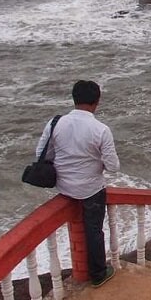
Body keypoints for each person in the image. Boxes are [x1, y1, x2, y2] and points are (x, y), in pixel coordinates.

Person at [35, 80, 120, 287]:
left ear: (74, 99)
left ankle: (90, 272)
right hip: (91, 189)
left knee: (86, 228)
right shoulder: (101, 129)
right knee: (94, 230)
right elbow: (113, 166)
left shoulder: (55, 122)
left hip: (64, 187)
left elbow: (41, 154)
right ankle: (99, 274)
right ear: (97, 101)